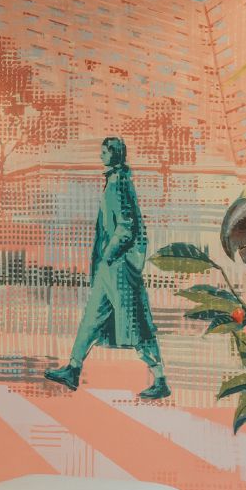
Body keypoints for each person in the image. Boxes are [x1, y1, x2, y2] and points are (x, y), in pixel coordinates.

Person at [45, 136, 170, 400]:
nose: (101, 155)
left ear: (115, 154)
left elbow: (126, 227)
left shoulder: (118, 183)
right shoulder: (115, 180)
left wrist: (108, 255)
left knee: (136, 323)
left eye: (105, 151)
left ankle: (160, 379)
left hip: (120, 268)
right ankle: (73, 368)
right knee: (92, 318)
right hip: (110, 268)